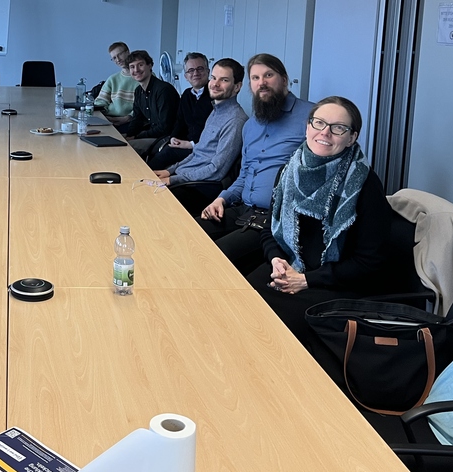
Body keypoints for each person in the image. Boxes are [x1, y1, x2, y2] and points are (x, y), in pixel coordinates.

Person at [246, 97, 409, 362]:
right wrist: (276, 259)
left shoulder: (365, 185)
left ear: (352, 138)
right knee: (239, 296)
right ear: (307, 127)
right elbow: (269, 228)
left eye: (338, 128)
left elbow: (368, 262)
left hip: (339, 283)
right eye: (319, 123)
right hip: (290, 268)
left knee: (269, 328)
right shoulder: (288, 171)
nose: (325, 133)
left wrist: (307, 280)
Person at [199, 54, 314, 274]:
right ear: (249, 85)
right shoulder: (250, 125)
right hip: (243, 209)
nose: (262, 83)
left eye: (268, 75)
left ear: (284, 79)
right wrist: (221, 199)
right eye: (255, 78)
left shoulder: (310, 117)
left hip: (276, 219)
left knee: (212, 256)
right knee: (188, 232)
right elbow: (244, 176)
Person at [154, 58, 248, 215]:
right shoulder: (215, 111)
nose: (215, 84)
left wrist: (173, 179)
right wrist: (170, 171)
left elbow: (216, 170)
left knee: (151, 202)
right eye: (214, 78)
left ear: (237, 86)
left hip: (200, 187)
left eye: (224, 80)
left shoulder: (235, 120)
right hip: (186, 178)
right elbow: (197, 153)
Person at [146, 52, 213, 169]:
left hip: (203, 150)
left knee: (163, 156)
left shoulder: (215, 96)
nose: (195, 73)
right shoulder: (187, 95)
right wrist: (174, 137)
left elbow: (213, 131)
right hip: (185, 143)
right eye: (191, 70)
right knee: (155, 152)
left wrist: (191, 144)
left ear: (208, 71)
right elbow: (180, 122)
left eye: (200, 69)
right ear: (186, 76)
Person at [122, 50, 180, 157]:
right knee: (119, 141)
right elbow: (137, 119)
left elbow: (164, 127)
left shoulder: (164, 90)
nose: (136, 70)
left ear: (150, 65)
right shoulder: (138, 91)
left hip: (167, 138)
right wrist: (128, 135)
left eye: (140, 65)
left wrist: (136, 137)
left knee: (126, 148)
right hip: (153, 135)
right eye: (132, 67)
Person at [93, 41, 138, 126]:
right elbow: (101, 101)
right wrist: (100, 114)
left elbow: (146, 107)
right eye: (114, 58)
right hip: (109, 118)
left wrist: (129, 117)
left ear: (128, 52)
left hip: (131, 120)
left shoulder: (143, 77)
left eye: (120, 54)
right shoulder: (112, 79)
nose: (118, 60)